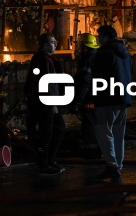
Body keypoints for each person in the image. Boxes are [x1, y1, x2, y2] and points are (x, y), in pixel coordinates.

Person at [87, 25, 132, 183]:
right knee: (119, 134)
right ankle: (117, 165)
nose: (98, 40)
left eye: (99, 37)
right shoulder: (124, 52)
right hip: (122, 98)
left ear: (105, 37)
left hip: (107, 98)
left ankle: (111, 166)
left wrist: (92, 97)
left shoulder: (104, 52)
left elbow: (98, 77)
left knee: (104, 133)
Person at [24, 33, 66, 175]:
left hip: (43, 102)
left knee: (55, 129)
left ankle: (48, 160)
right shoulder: (44, 60)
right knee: (47, 133)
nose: (56, 44)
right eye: (53, 42)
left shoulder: (42, 59)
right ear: (45, 45)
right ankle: (45, 164)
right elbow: (45, 82)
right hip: (46, 103)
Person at [70, 33, 100, 158]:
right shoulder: (97, 57)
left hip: (89, 99)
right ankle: (97, 150)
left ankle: (91, 153)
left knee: (89, 127)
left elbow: (84, 82)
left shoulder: (87, 60)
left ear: (85, 47)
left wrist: (77, 101)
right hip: (97, 99)